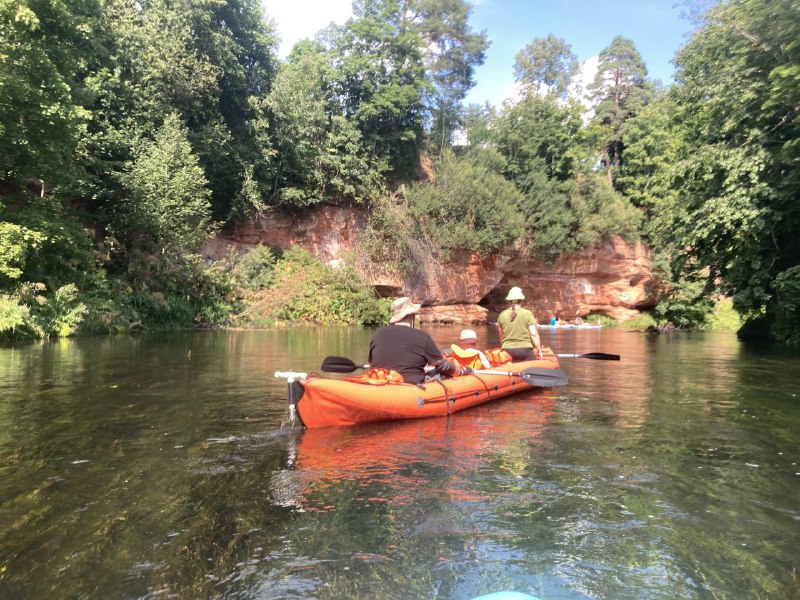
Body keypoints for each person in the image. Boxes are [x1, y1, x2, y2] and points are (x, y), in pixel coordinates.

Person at [369, 297, 471, 384]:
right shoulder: (422, 337)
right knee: (442, 373)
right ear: (411, 315)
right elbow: (442, 366)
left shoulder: (377, 334)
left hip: (382, 385)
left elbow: (371, 364)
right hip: (411, 389)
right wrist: (461, 371)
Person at [496, 286, 543, 361]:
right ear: (522, 300)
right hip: (525, 350)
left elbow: (501, 334)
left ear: (509, 301)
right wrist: (539, 350)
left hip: (507, 350)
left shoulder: (502, 314)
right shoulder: (528, 313)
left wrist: (504, 347)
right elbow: (533, 334)